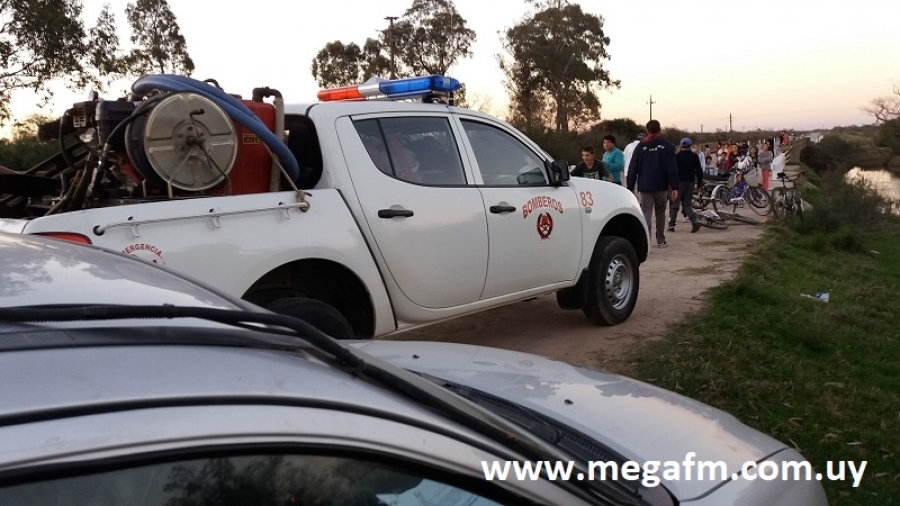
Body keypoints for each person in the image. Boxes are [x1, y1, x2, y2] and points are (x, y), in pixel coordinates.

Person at [626, 120, 680, 248]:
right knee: (660, 212)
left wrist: (630, 187)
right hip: (661, 185)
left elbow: (632, 168)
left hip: (645, 186)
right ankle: (660, 240)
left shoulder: (640, 147)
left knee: (646, 213)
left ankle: (646, 242)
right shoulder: (667, 146)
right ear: (660, 129)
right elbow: (672, 168)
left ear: (647, 130)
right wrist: (674, 187)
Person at [669, 138, 703, 234]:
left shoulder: (676, 156)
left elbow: (672, 171)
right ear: (690, 145)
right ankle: (694, 222)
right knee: (687, 204)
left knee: (675, 203)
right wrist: (699, 184)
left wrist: (671, 183)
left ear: (681, 146)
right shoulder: (694, 156)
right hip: (690, 183)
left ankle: (671, 225)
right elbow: (699, 171)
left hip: (678, 183)